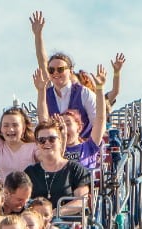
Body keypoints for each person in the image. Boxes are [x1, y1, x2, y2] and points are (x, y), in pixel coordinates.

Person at [30, 11, 96, 139]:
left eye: (60, 69)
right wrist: (37, 35)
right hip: (57, 150)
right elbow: (42, 62)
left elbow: (97, 123)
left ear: (70, 71)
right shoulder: (46, 94)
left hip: (82, 149)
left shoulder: (84, 93)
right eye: (52, 70)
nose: (55, 73)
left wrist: (85, 147)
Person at [34, 65, 107, 170]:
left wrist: (100, 88)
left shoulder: (89, 146)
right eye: (61, 126)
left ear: (79, 127)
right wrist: (41, 91)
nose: (64, 128)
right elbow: (43, 121)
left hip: (85, 185)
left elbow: (100, 119)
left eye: (68, 123)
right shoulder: (55, 150)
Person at [23, 120, 91, 214]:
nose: (47, 143)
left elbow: (81, 202)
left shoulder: (76, 170)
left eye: (52, 139)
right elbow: (23, 202)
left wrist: (53, 214)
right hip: (37, 224)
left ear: (60, 141)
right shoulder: (30, 172)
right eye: (42, 140)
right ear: (37, 144)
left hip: (67, 225)